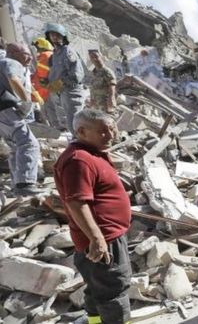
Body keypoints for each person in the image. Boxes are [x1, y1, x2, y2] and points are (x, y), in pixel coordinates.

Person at [54, 109, 131, 324]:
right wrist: (97, 239)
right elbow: (76, 202)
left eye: (112, 129)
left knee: (99, 287)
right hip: (102, 237)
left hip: (105, 235)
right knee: (114, 289)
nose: (111, 135)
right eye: (103, 131)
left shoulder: (91, 153)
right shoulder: (79, 160)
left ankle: (95, 322)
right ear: (81, 131)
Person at [0, 43, 42, 196]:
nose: (30, 57)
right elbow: (13, 79)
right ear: (13, 53)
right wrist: (25, 101)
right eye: (26, 53)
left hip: (2, 111)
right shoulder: (11, 62)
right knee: (29, 143)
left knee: (14, 146)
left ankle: (16, 183)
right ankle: (25, 183)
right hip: (6, 107)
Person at [45, 23, 87, 133]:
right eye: (52, 35)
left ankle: (82, 146)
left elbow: (77, 75)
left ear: (63, 36)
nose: (54, 37)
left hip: (72, 91)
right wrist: (49, 80)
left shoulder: (68, 51)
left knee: (75, 122)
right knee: (69, 123)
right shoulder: (54, 54)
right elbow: (55, 72)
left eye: (57, 35)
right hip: (62, 91)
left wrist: (61, 82)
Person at [88, 50, 117, 114]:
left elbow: (112, 86)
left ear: (101, 57)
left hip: (105, 104)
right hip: (96, 104)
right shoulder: (93, 73)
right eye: (92, 58)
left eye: (96, 56)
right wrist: (91, 100)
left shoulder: (107, 72)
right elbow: (92, 88)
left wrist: (111, 99)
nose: (94, 59)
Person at [30, 37, 51, 123]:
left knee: (48, 108)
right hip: (50, 85)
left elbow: (42, 73)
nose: (36, 50)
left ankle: (57, 127)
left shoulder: (44, 55)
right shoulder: (50, 54)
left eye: (36, 47)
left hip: (45, 86)